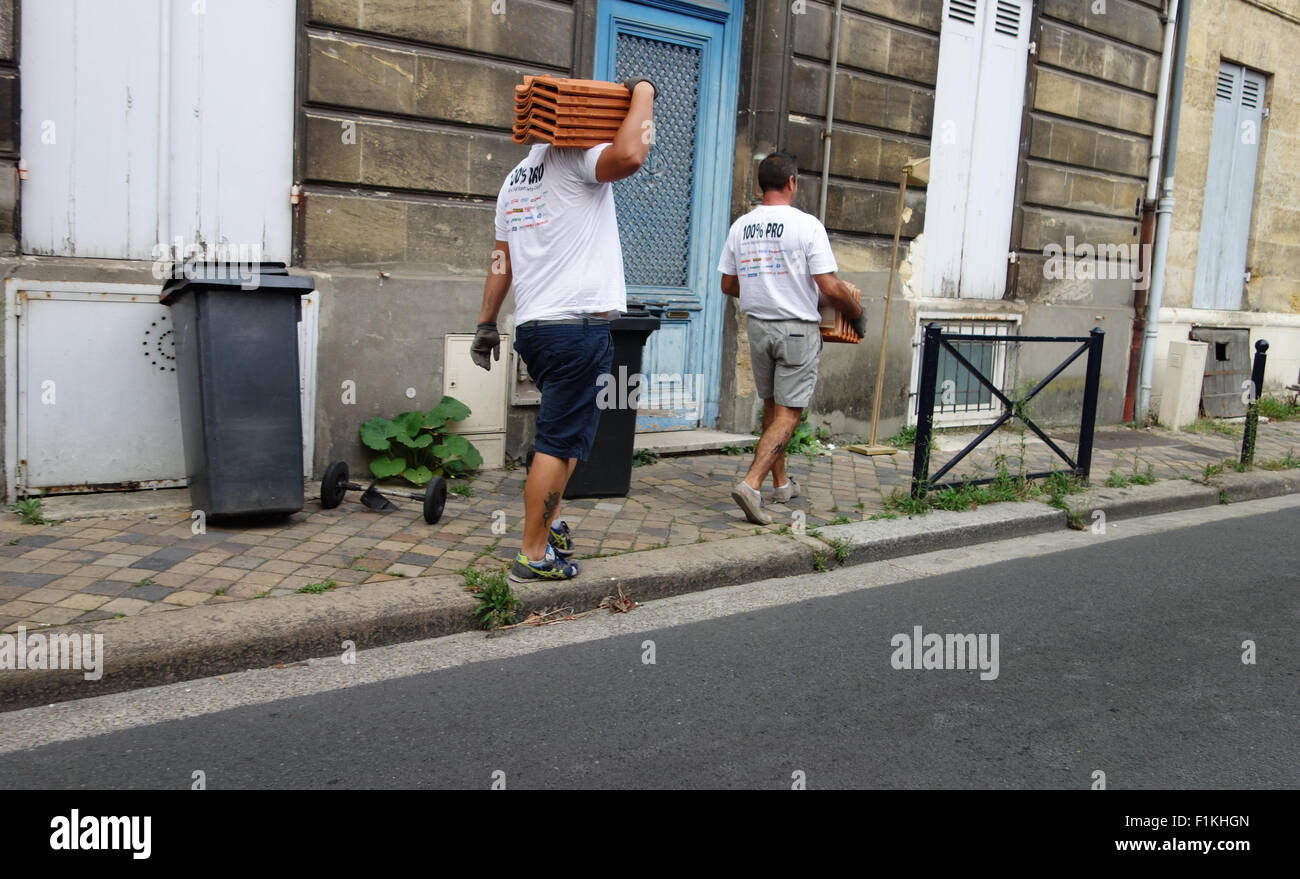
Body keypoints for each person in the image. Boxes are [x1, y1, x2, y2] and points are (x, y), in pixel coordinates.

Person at [470, 78, 657, 582]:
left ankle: (550, 527)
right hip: (575, 327)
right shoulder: (575, 157)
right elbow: (632, 156)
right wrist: (643, 91)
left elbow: (499, 260)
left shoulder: (515, 180)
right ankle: (532, 555)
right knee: (558, 441)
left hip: (536, 327)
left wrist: (487, 323)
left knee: (569, 437)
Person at [717, 151, 866, 524]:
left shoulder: (742, 227)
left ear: (760, 185)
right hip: (796, 329)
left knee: (772, 406)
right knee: (789, 413)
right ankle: (751, 485)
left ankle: (781, 484)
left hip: (759, 326)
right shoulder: (806, 225)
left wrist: (766, 288)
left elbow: (728, 284)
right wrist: (857, 311)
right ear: (792, 182)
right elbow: (829, 285)